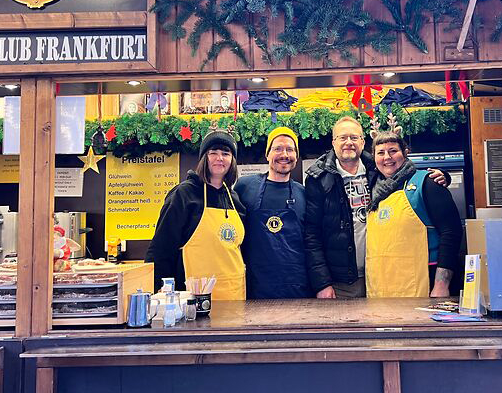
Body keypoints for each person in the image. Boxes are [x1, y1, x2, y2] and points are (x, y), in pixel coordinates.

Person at [304, 116, 447, 299]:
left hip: (384, 275)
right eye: (343, 137)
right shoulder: (318, 179)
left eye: (354, 137)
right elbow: (311, 234)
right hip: (342, 282)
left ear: (363, 142)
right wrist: (322, 283)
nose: (349, 142)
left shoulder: (378, 168)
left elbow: (408, 173)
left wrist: (441, 177)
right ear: (333, 142)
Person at [145, 129, 247, 299]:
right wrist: (157, 293)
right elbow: (161, 249)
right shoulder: (184, 195)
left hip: (234, 294)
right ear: (203, 158)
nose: (219, 158)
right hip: (194, 298)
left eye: (226, 153)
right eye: (213, 153)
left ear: (232, 160)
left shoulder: (234, 199)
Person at [367, 130, 462, 298]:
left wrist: (441, 284)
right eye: (380, 153)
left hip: (427, 278)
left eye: (393, 151)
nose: (387, 157)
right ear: (374, 158)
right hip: (385, 284)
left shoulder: (428, 182)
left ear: (405, 152)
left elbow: (452, 232)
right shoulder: (373, 188)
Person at [234, 127, 310, 299]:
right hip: (256, 287)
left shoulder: (304, 193)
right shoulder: (244, 187)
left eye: (290, 149)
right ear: (267, 154)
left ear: (296, 157)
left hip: (297, 287)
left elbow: (312, 243)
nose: (284, 154)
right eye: (277, 149)